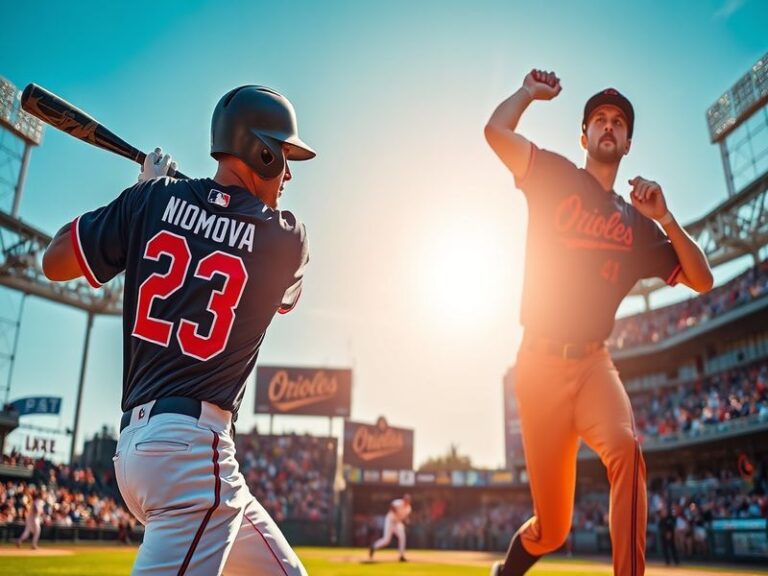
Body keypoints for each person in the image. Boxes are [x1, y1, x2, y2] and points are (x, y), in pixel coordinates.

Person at [42, 85, 315, 575]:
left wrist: (142, 194)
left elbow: (54, 259)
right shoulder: (285, 238)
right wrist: (192, 207)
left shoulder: (150, 200)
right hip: (191, 456)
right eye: (285, 155)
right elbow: (277, 290)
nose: (289, 173)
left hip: (141, 451)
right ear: (262, 151)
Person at [484, 69, 713, 576]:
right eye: (598, 120)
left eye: (618, 122)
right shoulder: (556, 175)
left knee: (627, 451)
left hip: (592, 364)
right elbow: (496, 133)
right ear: (583, 136)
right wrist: (526, 94)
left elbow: (703, 280)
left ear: (628, 142)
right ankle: (506, 573)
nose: (608, 126)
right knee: (554, 529)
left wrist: (667, 219)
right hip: (539, 367)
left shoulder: (638, 225)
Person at [369, 494, 412, 562]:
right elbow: (392, 506)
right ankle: (373, 547)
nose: (406, 501)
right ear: (403, 499)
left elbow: (405, 517)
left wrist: (407, 521)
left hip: (397, 523)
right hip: (390, 521)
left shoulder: (408, 508)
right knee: (386, 540)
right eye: (406, 499)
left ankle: (401, 556)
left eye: (408, 500)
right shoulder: (398, 502)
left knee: (402, 537)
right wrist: (396, 511)